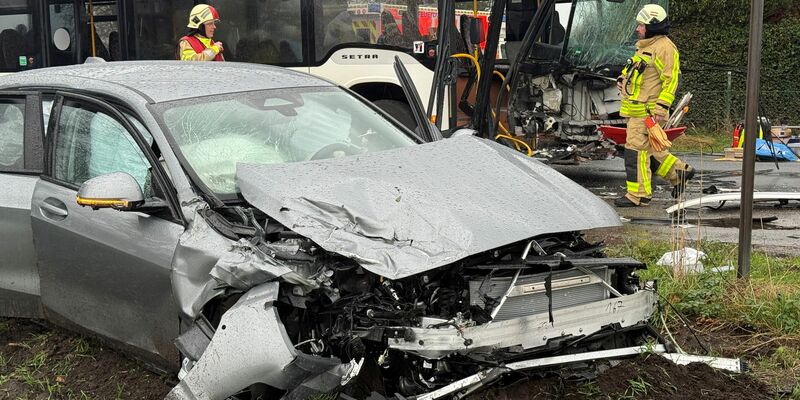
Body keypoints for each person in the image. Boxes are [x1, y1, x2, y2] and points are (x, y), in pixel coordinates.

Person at [615, 4, 694, 207]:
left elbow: (671, 81)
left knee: (635, 152)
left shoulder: (665, 48)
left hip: (648, 112)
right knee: (651, 152)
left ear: (652, 27)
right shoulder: (645, 46)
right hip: (638, 110)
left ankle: (638, 195)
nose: (637, 29)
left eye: (641, 25)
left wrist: (661, 108)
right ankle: (679, 172)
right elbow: (638, 73)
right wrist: (623, 79)